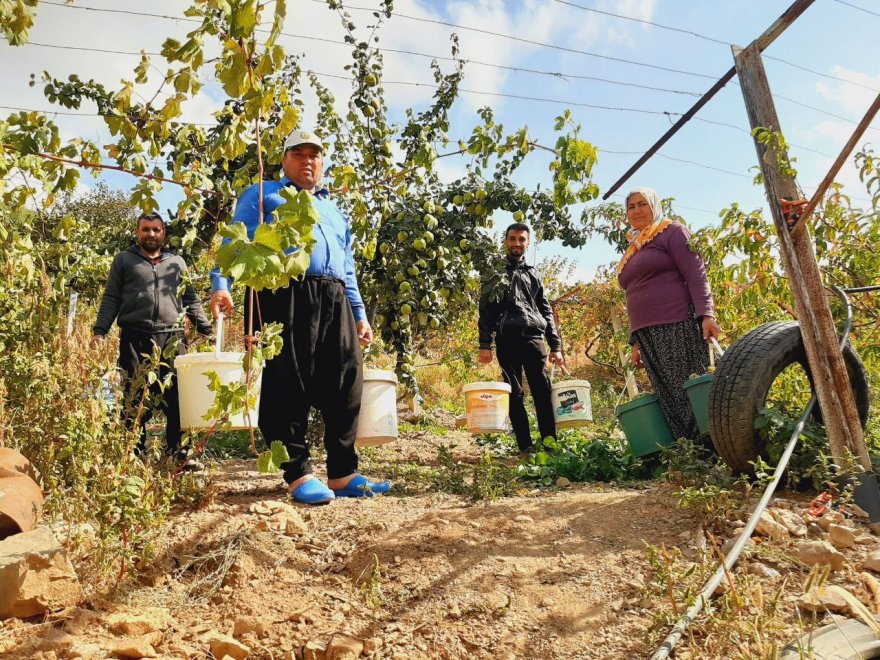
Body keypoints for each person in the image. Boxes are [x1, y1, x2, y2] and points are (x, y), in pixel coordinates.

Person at [210, 128, 390, 505]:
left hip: (333, 295)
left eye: (315, 155)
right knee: (287, 380)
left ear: (322, 163)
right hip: (281, 290)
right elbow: (233, 241)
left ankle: (343, 471)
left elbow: (348, 266)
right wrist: (220, 283)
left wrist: (358, 312)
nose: (308, 161)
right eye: (299, 154)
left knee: (346, 378)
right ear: (284, 160)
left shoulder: (333, 210)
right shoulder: (263, 195)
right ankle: (297, 472)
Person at [91, 212, 212, 460]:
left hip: (173, 338)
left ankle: (178, 451)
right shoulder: (124, 260)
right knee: (134, 393)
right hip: (135, 337)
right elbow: (111, 297)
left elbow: (190, 298)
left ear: (163, 233)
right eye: (145, 229)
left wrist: (205, 328)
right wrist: (100, 330)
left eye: (156, 230)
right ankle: (133, 451)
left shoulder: (177, 262)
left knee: (177, 395)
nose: (151, 234)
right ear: (137, 232)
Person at [617, 187, 721, 441]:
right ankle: (687, 451)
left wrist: (706, 314)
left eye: (643, 204)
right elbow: (632, 294)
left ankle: (711, 448)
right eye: (631, 206)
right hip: (646, 332)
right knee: (667, 394)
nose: (637, 210)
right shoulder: (634, 248)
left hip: (676, 322)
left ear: (655, 206)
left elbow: (696, 272)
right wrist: (635, 341)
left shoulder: (671, 231)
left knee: (689, 388)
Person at [478, 223, 564, 456]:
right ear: (505, 241)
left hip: (535, 339)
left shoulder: (533, 273)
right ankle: (525, 446)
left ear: (528, 242)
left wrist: (555, 345)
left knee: (542, 392)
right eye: (512, 238)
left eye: (521, 239)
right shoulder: (495, 274)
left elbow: (545, 310)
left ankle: (549, 444)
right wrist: (485, 344)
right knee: (514, 394)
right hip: (507, 340)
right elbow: (485, 310)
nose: (517, 243)